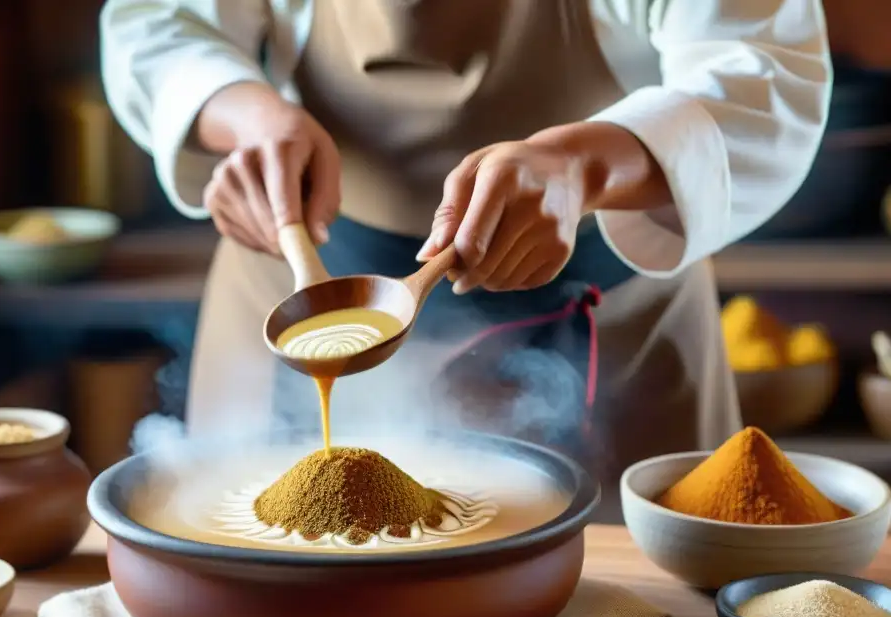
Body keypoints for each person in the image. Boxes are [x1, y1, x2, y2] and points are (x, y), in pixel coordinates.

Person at [101, 0, 831, 510]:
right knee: (263, 586)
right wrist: (243, 112)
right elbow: (159, 20)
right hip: (302, 272)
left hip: (616, 309)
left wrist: (581, 167)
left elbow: (765, 70)